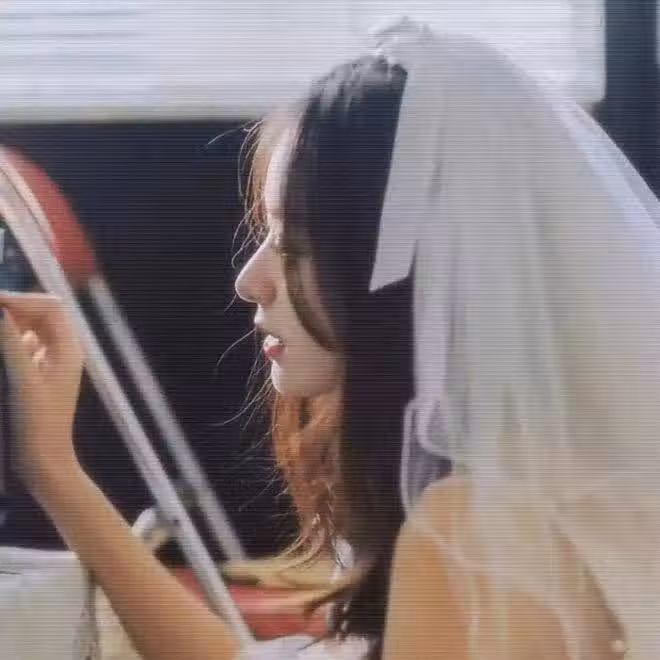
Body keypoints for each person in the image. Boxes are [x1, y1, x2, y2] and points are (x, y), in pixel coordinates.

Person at [1, 15, 659, 660]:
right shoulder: (547, 485)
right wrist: (55, 470)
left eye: (296, 245)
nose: (251, 282)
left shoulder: (472, 530)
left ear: (416, 275)